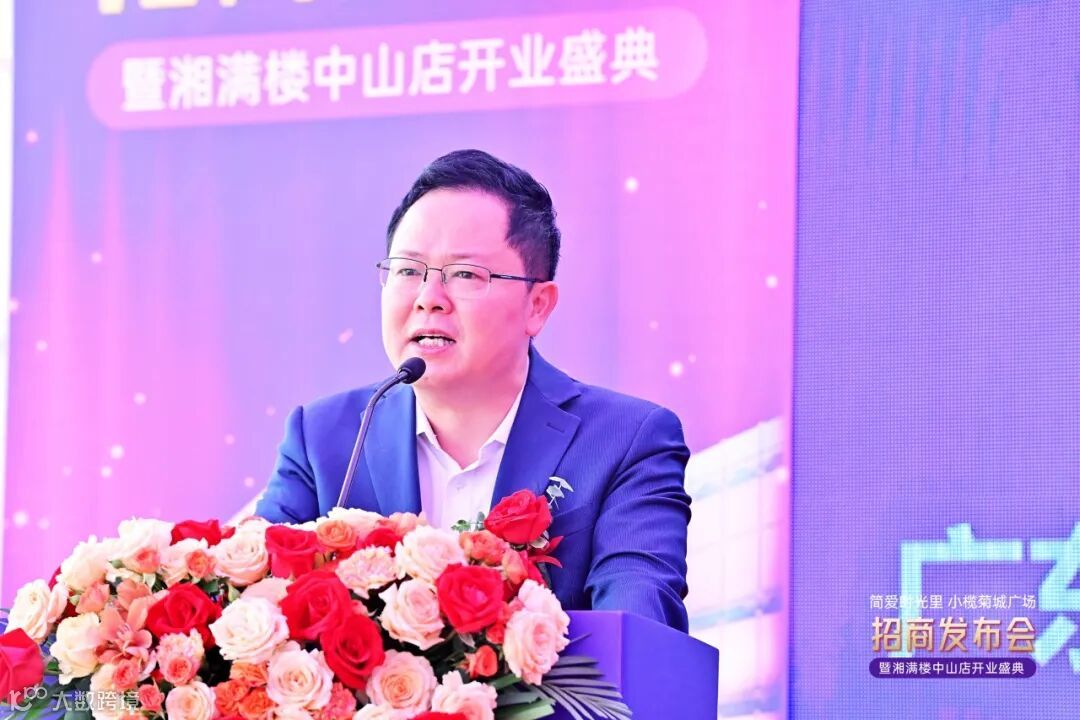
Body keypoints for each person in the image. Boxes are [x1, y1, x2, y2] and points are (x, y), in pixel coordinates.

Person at [256, 149, 692, 631]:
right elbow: (251, 607)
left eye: (465, 274)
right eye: (408, 270)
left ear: (538, 306)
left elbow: (638, 634)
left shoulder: (625, 441)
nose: (429, 299)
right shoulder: (323, 439)